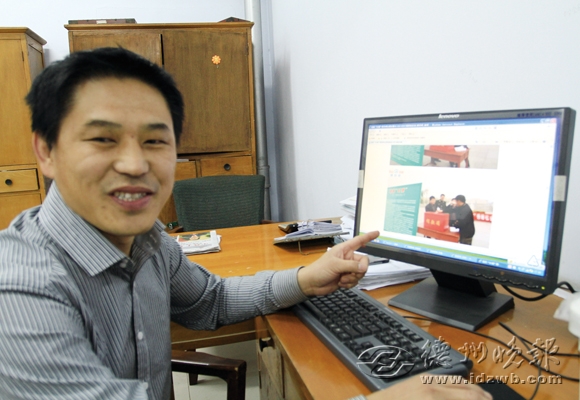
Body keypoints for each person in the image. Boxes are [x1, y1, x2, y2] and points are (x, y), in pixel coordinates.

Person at [0, 48, 490, 400]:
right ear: (46, 150)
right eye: (103, 139)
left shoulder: (147, 239)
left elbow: (209, 300)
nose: (134, 164)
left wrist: (306, 278)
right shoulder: (19, 289)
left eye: (155, 141)